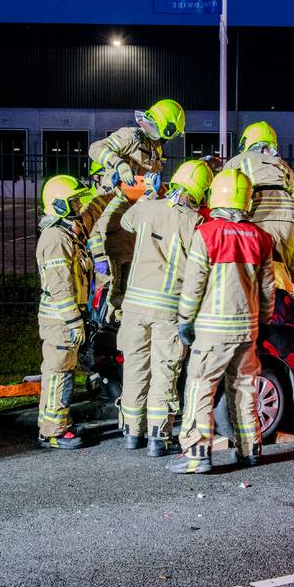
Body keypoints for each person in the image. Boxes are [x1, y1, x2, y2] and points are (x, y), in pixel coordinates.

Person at [169, 168, 275, 474]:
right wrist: (264, 321)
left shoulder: (206, 234)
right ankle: (250, 449)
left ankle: (198, 453)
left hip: (212, 332)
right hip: (248, 330)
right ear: (246, 201)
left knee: (200, 387)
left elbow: (193, 286)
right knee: (243, 388)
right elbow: (268, 288)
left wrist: (185, 321)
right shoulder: (261, 238)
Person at [117, 159, 212, 457]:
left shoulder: (148, 208)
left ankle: (132, 432)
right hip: (168, 309)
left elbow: (125, 222)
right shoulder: (195, 223)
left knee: (135, 368)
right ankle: (159, 436)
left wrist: (148, 196)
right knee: (164, 370)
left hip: (133, 307)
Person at [87, 99, 185, 317]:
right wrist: (118, 163)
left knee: (127, 276)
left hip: (132, 219)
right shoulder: (131, 136)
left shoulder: (155, 148)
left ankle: (116, 330)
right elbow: (96, 148)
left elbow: (145, 184)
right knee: (110, 278)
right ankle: (100, 328)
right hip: (112, 215)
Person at [35, 175, 96, 450]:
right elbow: (61, 286)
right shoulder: (55, 238)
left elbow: (94, 211)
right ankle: (53, 432)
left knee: (63, 372)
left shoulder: (66, 233)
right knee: (58, 374)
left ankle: (57, 425)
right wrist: (74, 321)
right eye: (73, 201)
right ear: (59, 205)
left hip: (64, 319)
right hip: (61, 320)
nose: (78, 205)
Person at [224, 121, 294, 291]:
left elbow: (225, 194)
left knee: (254, 266)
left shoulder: (236, 162)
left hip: (256, 212)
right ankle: (285, 304)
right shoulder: (282, 164)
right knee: (283, 266)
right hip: (287, 216)